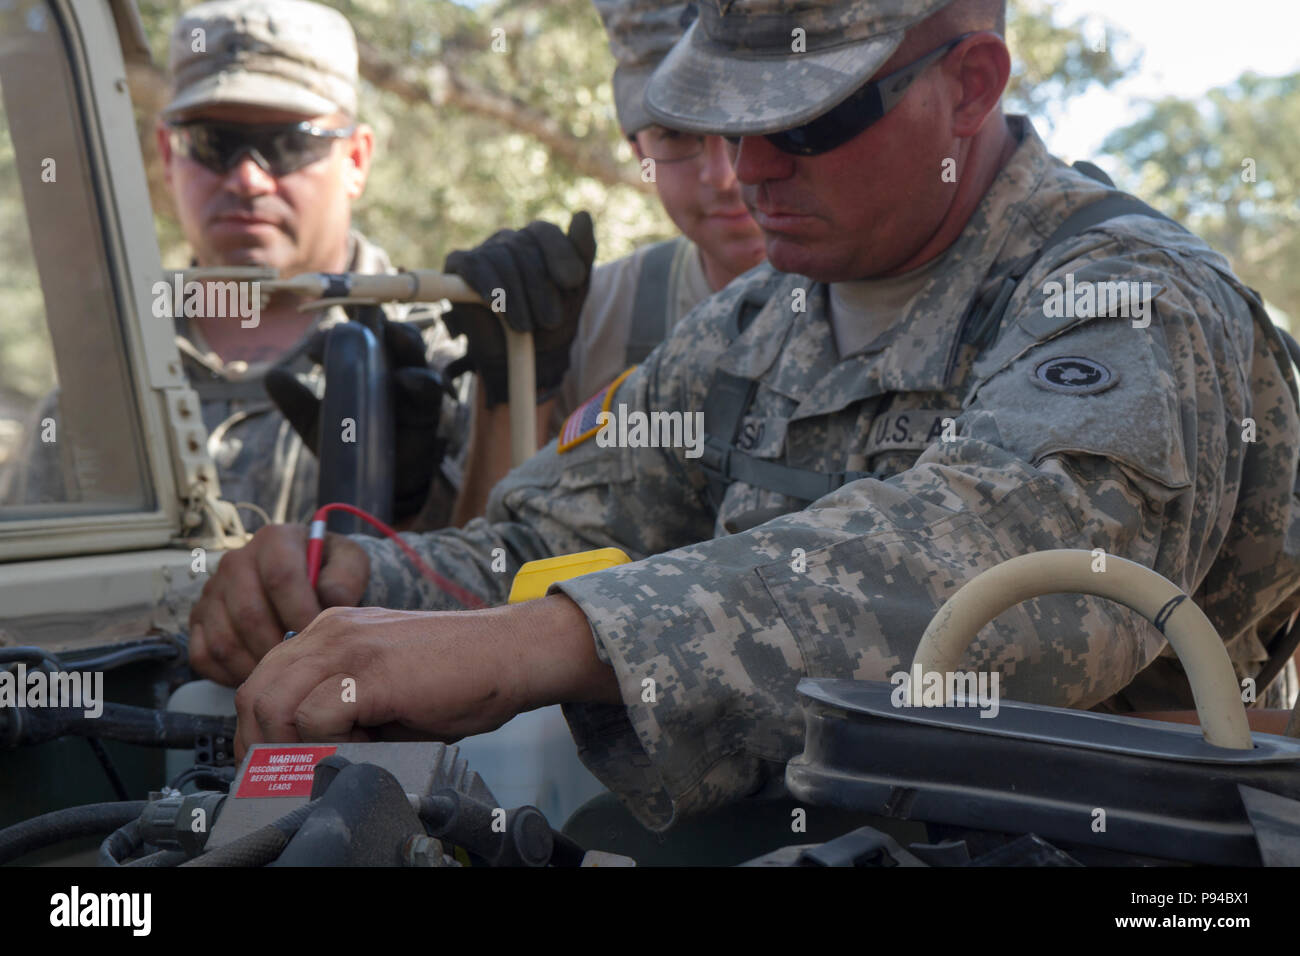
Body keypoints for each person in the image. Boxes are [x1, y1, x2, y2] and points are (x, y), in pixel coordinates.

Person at [190, 0, 1300, 833]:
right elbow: (541, 541)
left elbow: (1027, 572)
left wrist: (545, 640)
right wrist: (354, 589)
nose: (743, 166)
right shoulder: (761, 318)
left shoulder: (1126, 294)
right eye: (720, 117)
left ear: (969, 85)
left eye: (806, 121)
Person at [448, 0, 765, 524]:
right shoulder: (587, 318)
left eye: (743, 123)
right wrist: (515, 389)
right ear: (636, 147)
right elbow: (486, 564)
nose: (723, 176)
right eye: (676, 133)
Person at [157, 0, 464, 531]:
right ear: (167, 154)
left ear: (356, 160)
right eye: (214, 143)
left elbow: (506, 584)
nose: (248, 179)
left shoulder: (441, 359)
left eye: (287, 143)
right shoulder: (113, 361)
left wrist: (417, 511)